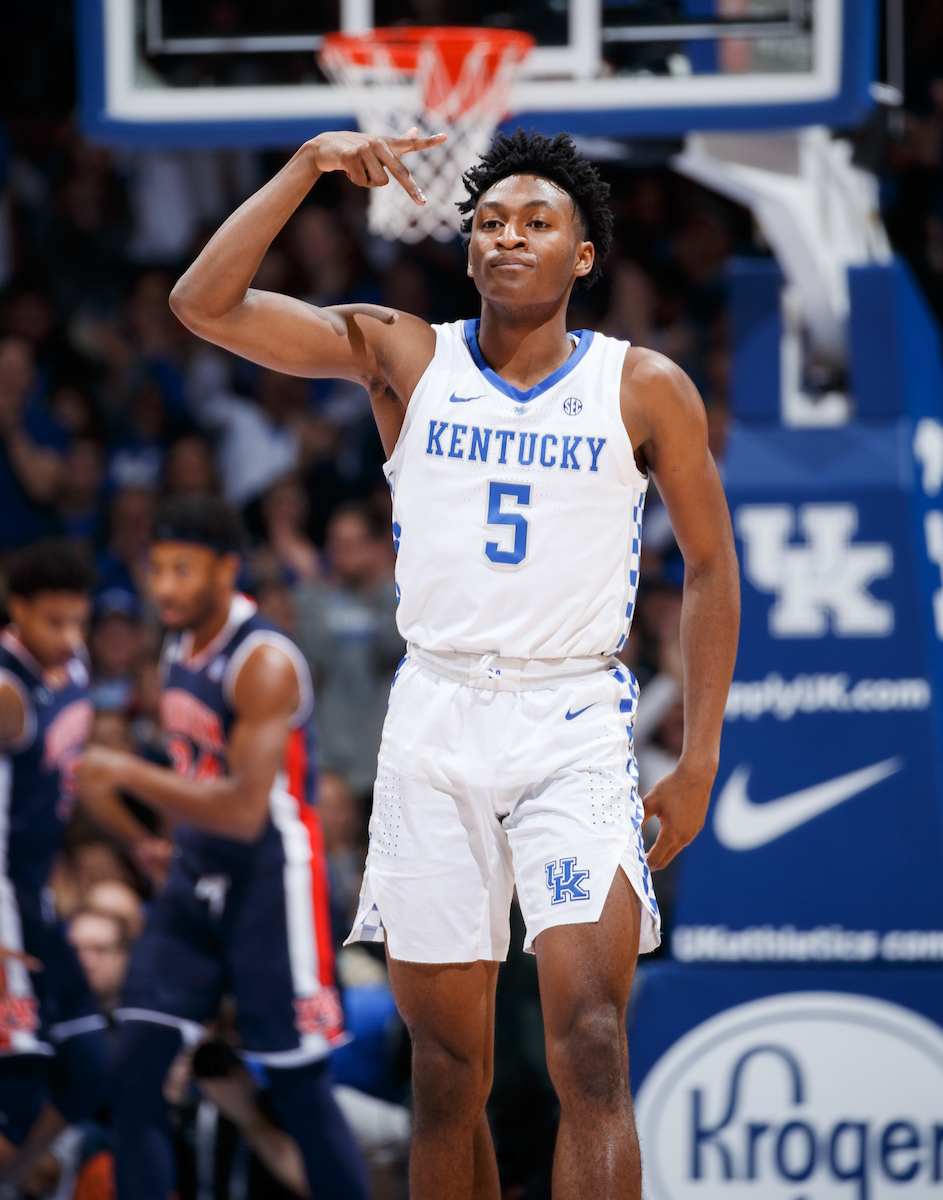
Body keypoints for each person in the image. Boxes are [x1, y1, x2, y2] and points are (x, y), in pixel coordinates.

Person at [167, 127, 740, 1200]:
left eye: (536, 223)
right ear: (466, 247)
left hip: (571, 717)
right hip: (435, 715)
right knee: (443, 1073)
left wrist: (699, 757)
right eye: (488, 222)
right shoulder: (405, 354)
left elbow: (711, 567)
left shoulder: (642, 384)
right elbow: (203, 305)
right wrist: (305, 168)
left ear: (582, 255)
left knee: (593, 1040)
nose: (507, 237)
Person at [77, 494, 369, 1200]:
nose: (165, 586)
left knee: (299, 1089)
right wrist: (152, 841)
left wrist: (126, 771)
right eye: (157, 568)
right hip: (196, 876)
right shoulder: (177, 643)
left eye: (184, 569)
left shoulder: (262, 660)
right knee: (135, 1070)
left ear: (227, 570)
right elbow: (194, 775)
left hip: (272, 882)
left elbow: (242, 809)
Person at [0, 540, 109, 1188]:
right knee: (19, 1085)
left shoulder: (74, 665)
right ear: (17, 610)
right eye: (54, 622)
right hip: (5, 902)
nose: (69, 637)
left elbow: (75, 774)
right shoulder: (8, 690)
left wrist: (137, 841)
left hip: (37, 896)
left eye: (78, 622)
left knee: (90, 1069)